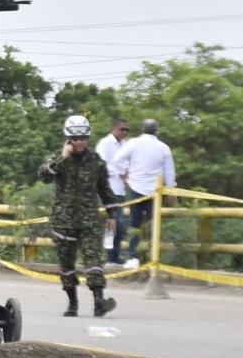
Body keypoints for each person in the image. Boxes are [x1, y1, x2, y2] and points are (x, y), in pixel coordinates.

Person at [41, 115, 118, 318]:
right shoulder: (59, 158)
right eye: (75, 139)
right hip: (63, 221)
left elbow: (105, 189)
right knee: (66, 265)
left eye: (84, 138)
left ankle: (99, 301)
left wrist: (112, 213)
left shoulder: (96, 161)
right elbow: (45, 177)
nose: (80, 142)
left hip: (89, 220)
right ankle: (72, 303)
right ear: (68, 139)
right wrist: (62, 158)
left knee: (94, 260)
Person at [111, 118, 176, 267]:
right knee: (155, 223)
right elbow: (170, 172)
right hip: (155, 191)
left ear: (142, 129)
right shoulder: (163, 147)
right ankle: (154, 256)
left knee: (134, 223)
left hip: (136, 187)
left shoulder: (133, 143)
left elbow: (117, 160)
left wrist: (125, 175)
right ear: (157, 131)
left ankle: (134, 257)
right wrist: (171, 191)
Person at [95, 117, 130, 264]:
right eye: (122, 129)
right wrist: (120, 172)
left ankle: (113, 256)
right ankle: (110, 256)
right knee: (114, 224)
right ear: (113, 129)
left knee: (118, 226)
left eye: (127, 130)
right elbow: (100, 165)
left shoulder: (125, 144)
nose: (124, 132)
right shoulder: (105, 144)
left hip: (120, 190)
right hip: (107, 189)